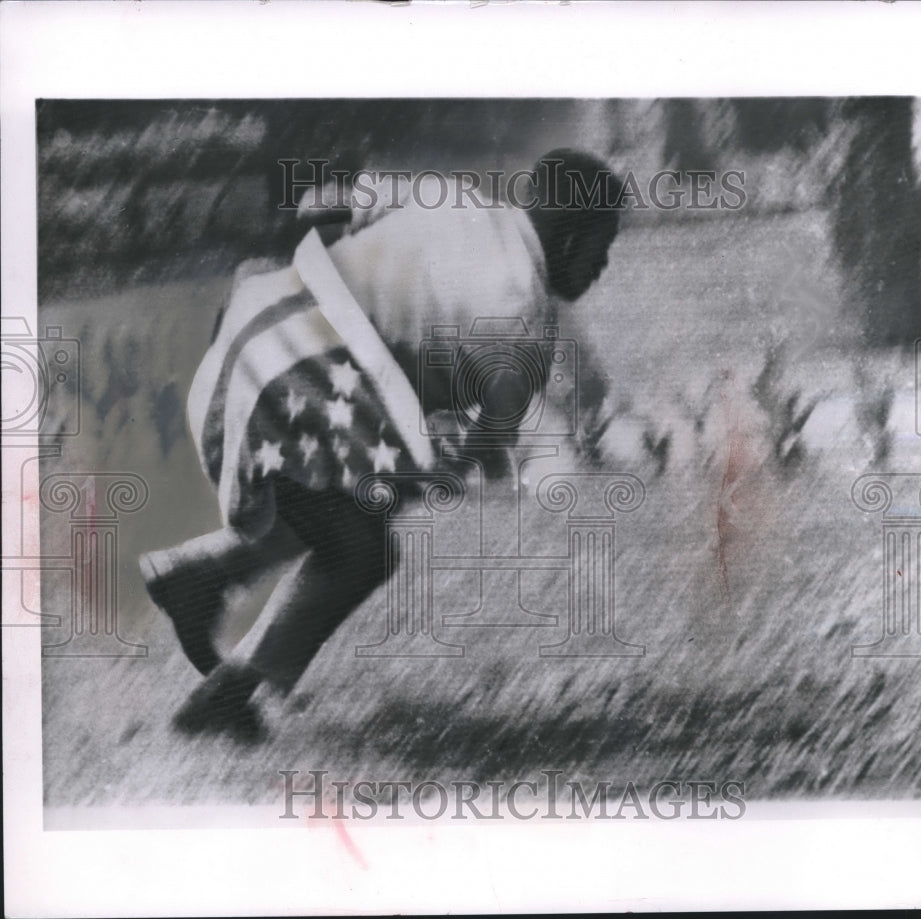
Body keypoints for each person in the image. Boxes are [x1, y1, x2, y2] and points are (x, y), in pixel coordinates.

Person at [140, 148, 662, 739]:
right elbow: (482, 448)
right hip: (289, 388)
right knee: (363, 549)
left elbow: (321, 203)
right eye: (602, 245)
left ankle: (198, 579)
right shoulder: (523, 318)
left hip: (249, 336)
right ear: (570, 238)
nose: (604, 264)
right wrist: (440, 463)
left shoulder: (456, 196)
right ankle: (226, 686)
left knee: (358, 503)